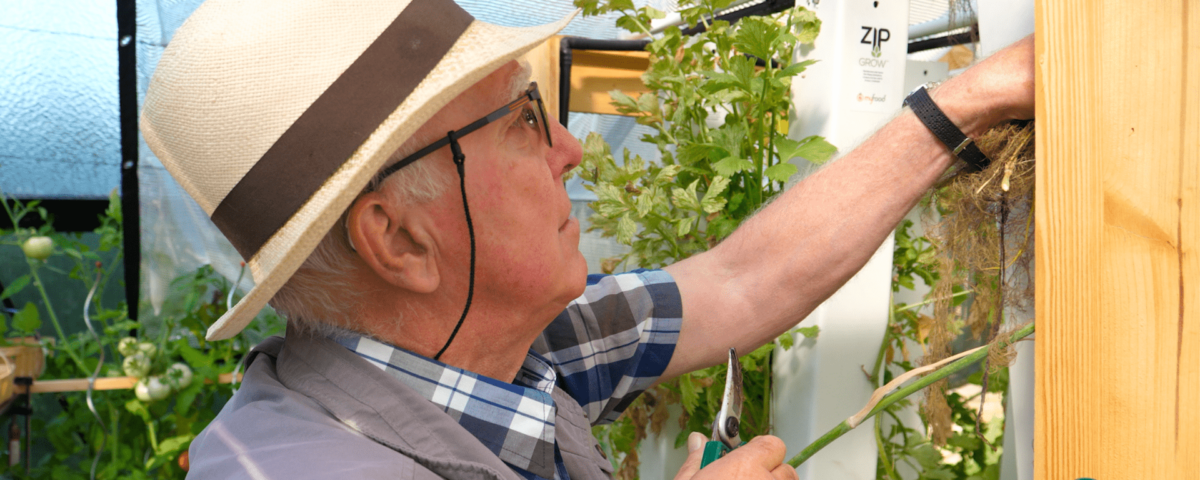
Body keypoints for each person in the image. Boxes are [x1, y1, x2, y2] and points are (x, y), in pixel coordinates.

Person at [139, 0, 1034, 478]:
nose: (570, 149)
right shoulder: (293, 469)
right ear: (400, 240)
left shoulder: (511, 351)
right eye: (522, 121)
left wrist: (969, 100)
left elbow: (742, 281)